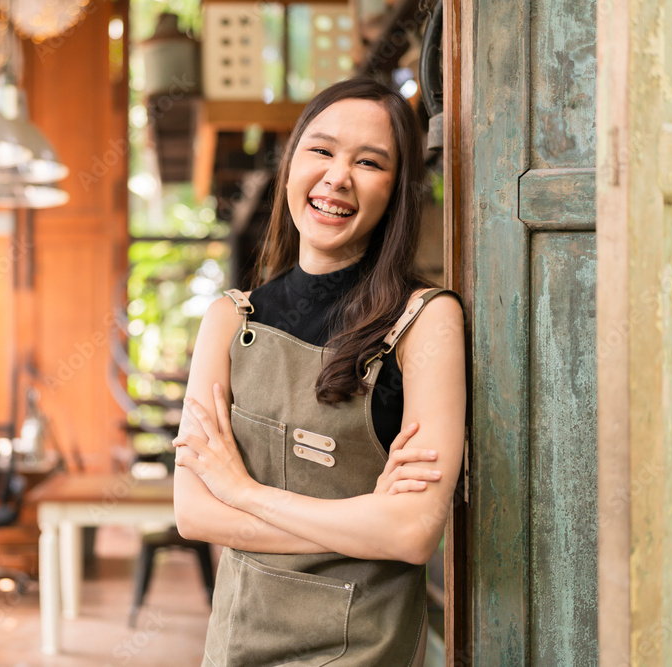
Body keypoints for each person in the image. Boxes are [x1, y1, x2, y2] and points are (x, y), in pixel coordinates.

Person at [171, 78, 465, 666]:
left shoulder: (427, 322)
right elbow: (194, 512)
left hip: (364, 647)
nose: (338, 177)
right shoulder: (229, 319)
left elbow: (412, 534)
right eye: (322, 150)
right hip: (239, 640)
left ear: (395, 192)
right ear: (290, 169)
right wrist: (364, 525)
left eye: (370, 162)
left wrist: (243, 494)